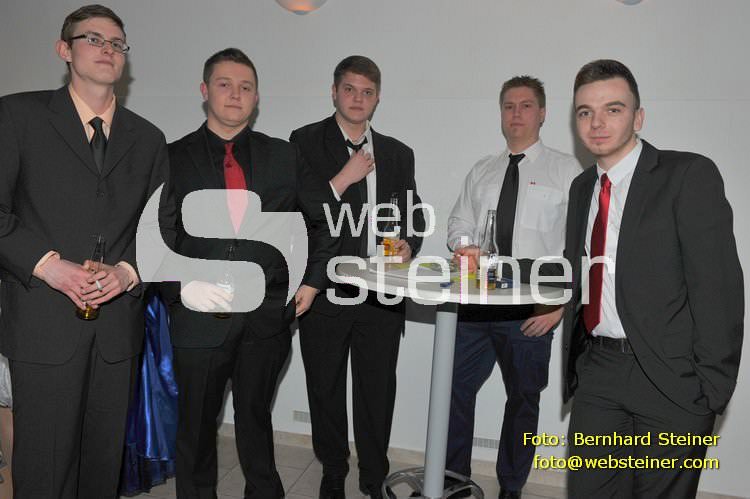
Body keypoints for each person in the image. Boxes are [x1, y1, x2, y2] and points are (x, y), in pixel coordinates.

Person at [0, 5, 170, 498]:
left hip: (116, 332)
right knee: (44, 472)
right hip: (43, 325)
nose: (107, 49)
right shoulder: (18, 116)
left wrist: (127, 271)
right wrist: (49, 267)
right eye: (93, 39)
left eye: (117, 43)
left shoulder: (149, 138)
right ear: (64, 50)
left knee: (101, 469)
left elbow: (161, 227)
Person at [162, 47, 339, 499]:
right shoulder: (171, 157)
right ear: (205, 91)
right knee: (196, 427)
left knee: (256, 420)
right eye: (225, 84)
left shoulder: (285, 156)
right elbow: (153, 235)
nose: (235, 94)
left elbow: (325, 221)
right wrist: (180, 286)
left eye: (246, 87)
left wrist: (313, 281)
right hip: (197, 316)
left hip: (267, 315)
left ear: (257, 97)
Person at [563, 59, 744, 498]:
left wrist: (709, 391)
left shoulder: (687, 175)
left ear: (638, 117)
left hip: (672, 381)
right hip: (599, 374)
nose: (597, 123)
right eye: (585, 112)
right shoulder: (582, 188)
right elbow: (581, 273)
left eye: (613, 109)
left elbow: (718, 289)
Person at [290, 55, 426, 499]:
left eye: (367, 92)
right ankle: (333, 470)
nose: (357, 98)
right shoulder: (304, 142)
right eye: (349, 89)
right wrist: (342, 180)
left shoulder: (398, 153)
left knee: (377, 390)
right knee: (325, 386)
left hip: (382, 292)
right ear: (334, 91)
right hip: (324, 287)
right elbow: (298, 211)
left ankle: (373, 474)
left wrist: (409, 243)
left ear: (377, 98)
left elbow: (413, 215)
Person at [446, 76, 581, 498]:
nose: (516, 114)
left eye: (525, 106)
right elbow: (458, 222)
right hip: (476, 302)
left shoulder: (567, 171)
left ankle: (511, 487)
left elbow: (580, 244)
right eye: (508, 106)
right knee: (453, 392)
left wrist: (559, 304)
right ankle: (453, 482)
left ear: (542, 113)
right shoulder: (483, 169)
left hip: (531, 307)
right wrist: (464, 246)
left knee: (523, 400)